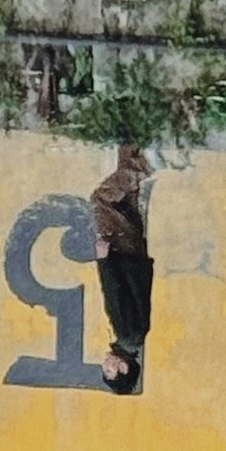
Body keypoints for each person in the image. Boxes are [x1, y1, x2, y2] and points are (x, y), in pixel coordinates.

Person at [91, 143, 154, 392]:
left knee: (126, 198)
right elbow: (115, 292)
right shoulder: (127, 334)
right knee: (101, 200)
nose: (104, 364)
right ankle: (146, 165)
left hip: (135, 257)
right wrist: (104, 260)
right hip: (123, 255)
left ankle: (131, 140)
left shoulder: (136, 336)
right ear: (124, 367)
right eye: (109, 369)